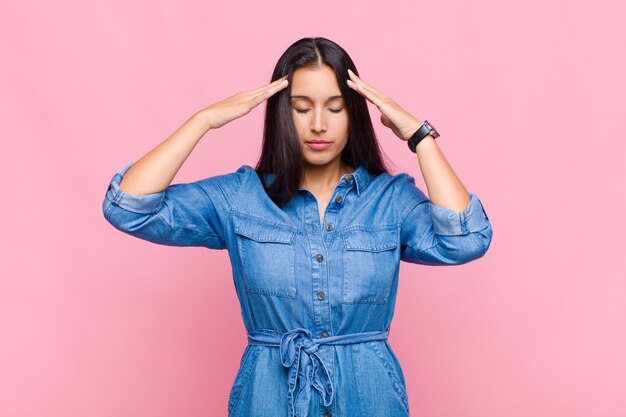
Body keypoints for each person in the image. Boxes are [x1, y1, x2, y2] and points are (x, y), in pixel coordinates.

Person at [102, 37, 493, 417]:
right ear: (280, 113)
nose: (318, 124)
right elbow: (128, 207)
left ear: (355, 113)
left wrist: (420, 137)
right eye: (301, 108)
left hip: (370, 398)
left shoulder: (390, 200)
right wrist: (203, 120)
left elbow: (467, 240)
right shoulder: (241, 197)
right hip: (266, 398)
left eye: (336, 108)